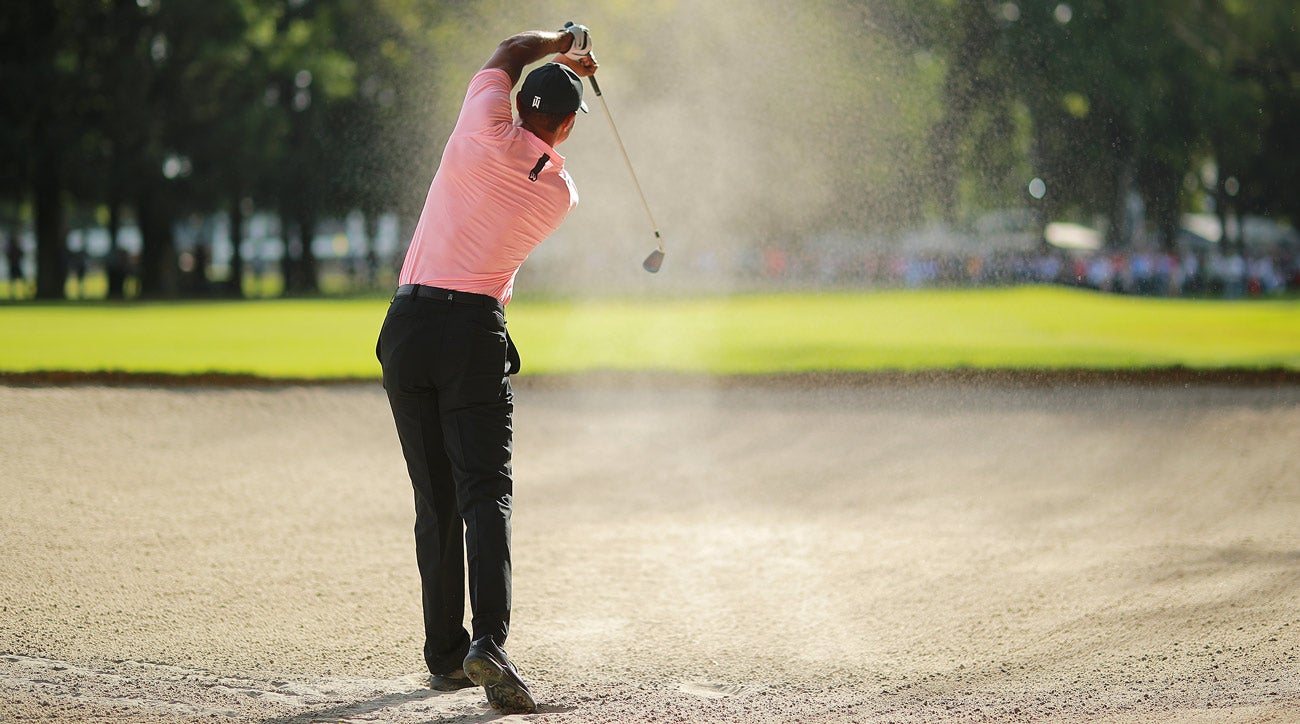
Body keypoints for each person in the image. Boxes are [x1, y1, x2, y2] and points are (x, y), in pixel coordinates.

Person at [375, 23, 596, 715]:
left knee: (434, 498)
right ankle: (488, 646)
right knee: (483, 493)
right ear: (561, 127)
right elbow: (536, 155)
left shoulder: (477, 122)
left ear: (515, 102)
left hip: (405, 328)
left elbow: (506, 51)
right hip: (472, 332)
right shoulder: (559, 194)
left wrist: (561, 41)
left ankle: (445, 651)